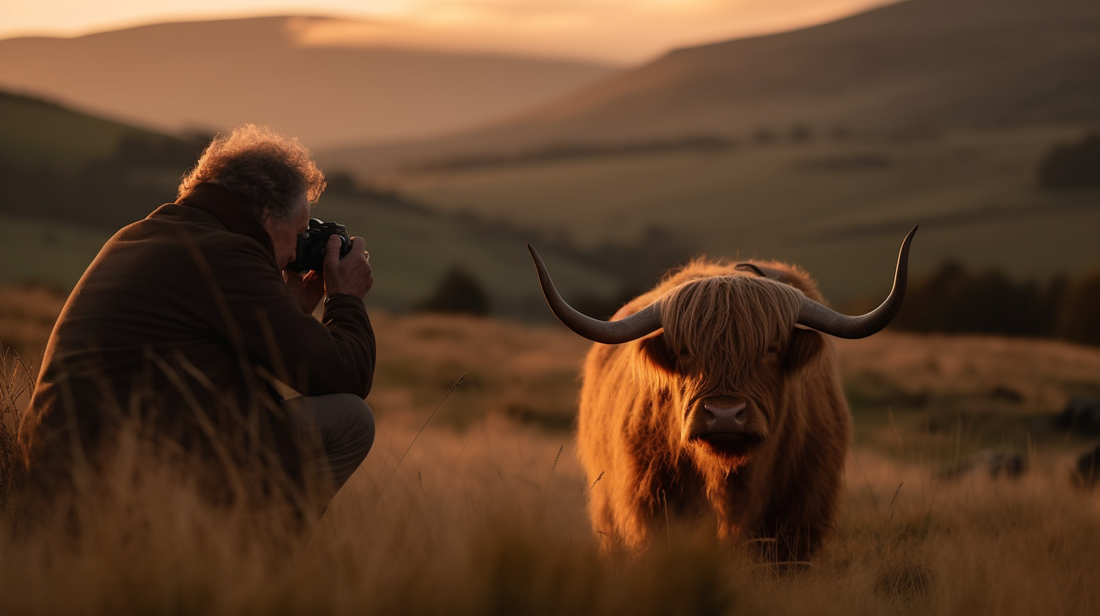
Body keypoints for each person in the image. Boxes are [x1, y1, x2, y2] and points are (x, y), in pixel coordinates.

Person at [17, 124, 376, 512]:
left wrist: (291, 311)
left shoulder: (140, 234)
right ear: (268, 216)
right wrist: (345, 298)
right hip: (123, 473)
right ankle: (261, 564)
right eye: (299, 232)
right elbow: (345, 375)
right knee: (351, 420)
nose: (294, 254)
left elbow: (202, 355)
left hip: (54, 467)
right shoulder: (228, 255)